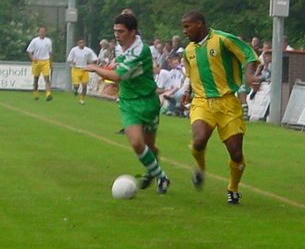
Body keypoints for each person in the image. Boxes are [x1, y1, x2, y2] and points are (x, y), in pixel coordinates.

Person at [85, 13, 170, 194]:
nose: (117, 35)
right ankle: (161, 176)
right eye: (115, 31)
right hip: (128, 103)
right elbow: (119, 67)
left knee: (150, 147)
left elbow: (117, 76)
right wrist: (113, 64)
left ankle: (152, 170)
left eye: (121, 31)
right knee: (137, 144)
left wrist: (96, 69)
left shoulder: (141, 51)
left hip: (148, 102)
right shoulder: (120, 47)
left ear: (133, 32)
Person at [180, 11, 259, 204]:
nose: (184, 31)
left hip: (228, 103)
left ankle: (233, 188)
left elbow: (249, 55)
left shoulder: (223, 40)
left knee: (236, 154)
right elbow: (190, 74)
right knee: (199, 140)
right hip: (202, 102)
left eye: (187, 26)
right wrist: (186, 90)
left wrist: (249, 76)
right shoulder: (188, 50)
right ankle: (200, 167)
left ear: (199, 24)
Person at [67, 38, 98, 105]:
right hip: (76, 69)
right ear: (78, 43)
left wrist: (91, 62)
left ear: (84, 43)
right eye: (80, 43)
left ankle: (82, 99)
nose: (81, 44)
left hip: (84, 69)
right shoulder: (74, 50)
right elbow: (69, 59)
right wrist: (73, 62)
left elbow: (95, 58)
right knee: (76, 85)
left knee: (84, 85)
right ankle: (76, 89)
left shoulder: (88, 50)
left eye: (83, 43)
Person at [26, 26, 53, 101]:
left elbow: (50, 52)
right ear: (38, 32)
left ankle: (48, 93)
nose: (42, 33)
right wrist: (32, 58)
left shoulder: (48, 41)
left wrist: (50, 62)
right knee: (36, 79)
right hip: (37, 61)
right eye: (41, 31)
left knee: (47, 78)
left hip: (45, 61)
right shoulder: (35, 41)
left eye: (43, 31)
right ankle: (36, 92)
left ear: (45, 32)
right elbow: (29, 51)